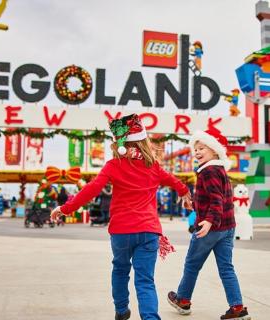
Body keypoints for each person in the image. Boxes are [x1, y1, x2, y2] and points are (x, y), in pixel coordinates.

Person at [51, 113, 192, 320]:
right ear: (144, 141)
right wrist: (185, 195)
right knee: (145, 280)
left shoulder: (113, 165)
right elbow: (177, 183)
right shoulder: (153, 166)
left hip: (121, 232)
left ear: (120, 143)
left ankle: (121, 310)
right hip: (149, 232)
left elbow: (90, 190)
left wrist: (65, 209)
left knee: (120, 271)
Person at [167, 129, 251, 320]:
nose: (196, 152)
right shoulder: (219, 169)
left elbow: (216, 200)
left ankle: (183, 300)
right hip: (228, 228)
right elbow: (214, 198)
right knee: (226, 268)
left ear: (213, 149)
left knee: (191, 265)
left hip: (210, 229)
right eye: (195, 149)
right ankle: (237, 308)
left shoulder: (208, 171)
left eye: (201, 148)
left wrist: (209, 222)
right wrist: (193, 204)